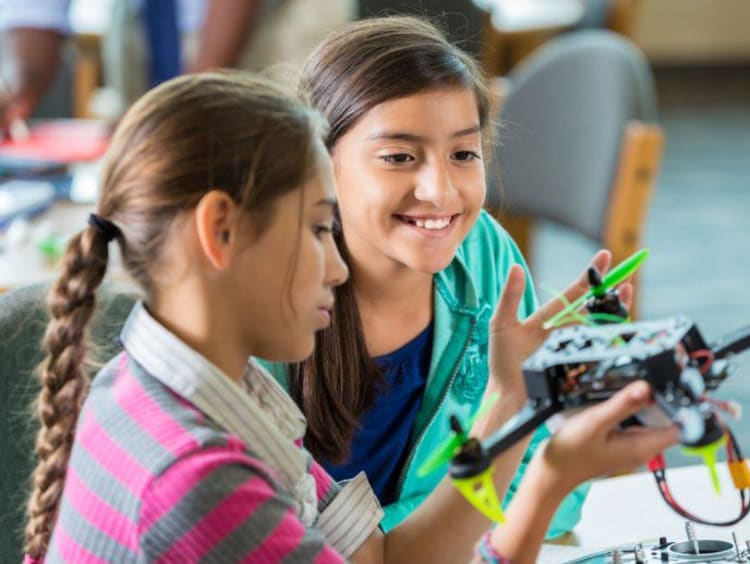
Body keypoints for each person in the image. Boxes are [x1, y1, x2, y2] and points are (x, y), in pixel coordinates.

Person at [22, 70, 678, 564]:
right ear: (220, 231)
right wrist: (548, 480)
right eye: (315, 228)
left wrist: (509, 404)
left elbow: (385, 558)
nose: (337, 269)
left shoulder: (198, 394)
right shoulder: (200, 483)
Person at [262, 15, 590, 536]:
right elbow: (270, 529)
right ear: (320, 163)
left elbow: (557, 488)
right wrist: (449, 523)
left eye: (464, 153)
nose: (440, 192)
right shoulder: (265, 300)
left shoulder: (484, 253)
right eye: (398, 157)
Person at [0, 0, 353, 131]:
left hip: (268, 32)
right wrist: (17, 86)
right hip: (148, 34)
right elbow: (35, 11)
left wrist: (185, 104)